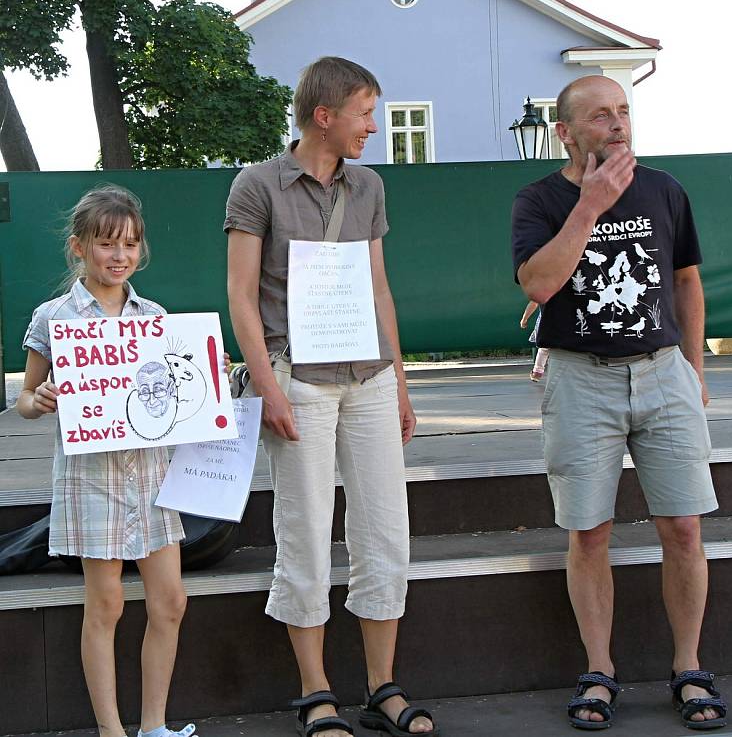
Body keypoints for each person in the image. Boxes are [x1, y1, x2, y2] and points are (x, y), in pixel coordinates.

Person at [225, 57, 437, 737]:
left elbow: (379, 289)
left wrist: (400, 380)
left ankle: (383, 685)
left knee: (384, 531)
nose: (373, 127)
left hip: (369, 378)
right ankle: (315, 692)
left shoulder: (368, 186)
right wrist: (266, 386)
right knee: (305, 533)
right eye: (365, 114)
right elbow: (241, 296)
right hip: (299, 382)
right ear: (325, 116)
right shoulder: (256, 184)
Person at [511, 76, 727, 731]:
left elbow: (687, 281)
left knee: (684, 527)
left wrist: (692, 367)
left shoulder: (665, 190)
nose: (618, 123)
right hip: (581, 380)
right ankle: (599, 669)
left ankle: (688, 667)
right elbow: (539, 283)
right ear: (566, 132)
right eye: (601, 115)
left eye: (624, 111)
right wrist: (591, 206)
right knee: (589, 531)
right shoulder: (539, 200)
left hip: (663, 374)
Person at [18, 186, 197, 737]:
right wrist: (40, 399)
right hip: (92, 479)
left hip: (152, 476)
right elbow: (23, 401)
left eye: (131, 244)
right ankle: (110, 732)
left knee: (170, 602)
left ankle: (154, 727)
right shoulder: (55, 317)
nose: (120, 255)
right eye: (106, 244)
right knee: (108, 603)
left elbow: (178, 398)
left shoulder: (156, 316)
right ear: (79, 248)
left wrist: (205, 387)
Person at [519, 300, 549, 381]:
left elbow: (534, 302)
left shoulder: (543, 290)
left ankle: (537, 372)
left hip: (546, 322)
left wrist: (524, 319)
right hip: (562, 322)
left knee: (544, 349)